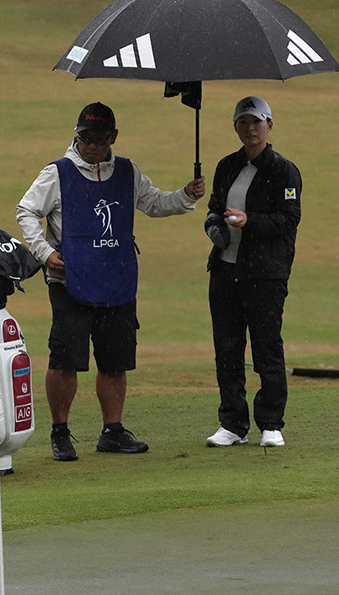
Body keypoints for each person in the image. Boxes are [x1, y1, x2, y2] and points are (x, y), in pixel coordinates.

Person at [17, 101, 206, 461]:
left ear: (112, 137)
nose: (90, 145)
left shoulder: (127, 172)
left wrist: (185, 195)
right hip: (69, 279)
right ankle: (60, 432)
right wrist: (44, 252)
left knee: (115, 360)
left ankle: (112, 431)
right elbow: (26, 210)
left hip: (116, 277)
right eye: (84, 137)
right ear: (76, 135)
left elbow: (154, 203)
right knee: (65, 358)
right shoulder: (56, 173)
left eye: (98, 138)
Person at [202, 96, 302, 448]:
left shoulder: (284, 171)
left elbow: (289, 220)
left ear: (269, 126)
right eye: (243, 122)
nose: (250, 129)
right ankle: (232, 423)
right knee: (227, 349)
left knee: (266, 348)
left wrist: (250, 221)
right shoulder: (227, 166)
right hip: (225, 271)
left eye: (256, 122)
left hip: (265, 275)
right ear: (235, 127)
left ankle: (271, 423)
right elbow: (214, 210)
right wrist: (214, 227)